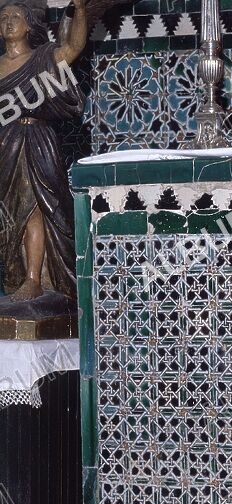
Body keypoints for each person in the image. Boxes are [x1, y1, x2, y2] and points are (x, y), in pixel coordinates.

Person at [0, 0, 86, 303]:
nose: (8, 22)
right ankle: (20, 277)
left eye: (15, 17)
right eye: (3, 17)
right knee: (11, 214)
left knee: (35, 207)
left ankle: (35, 279)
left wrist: (80, 8)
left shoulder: (43, 57)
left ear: (28, 25)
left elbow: (74, 45)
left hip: (36, 137)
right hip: (5, 144)